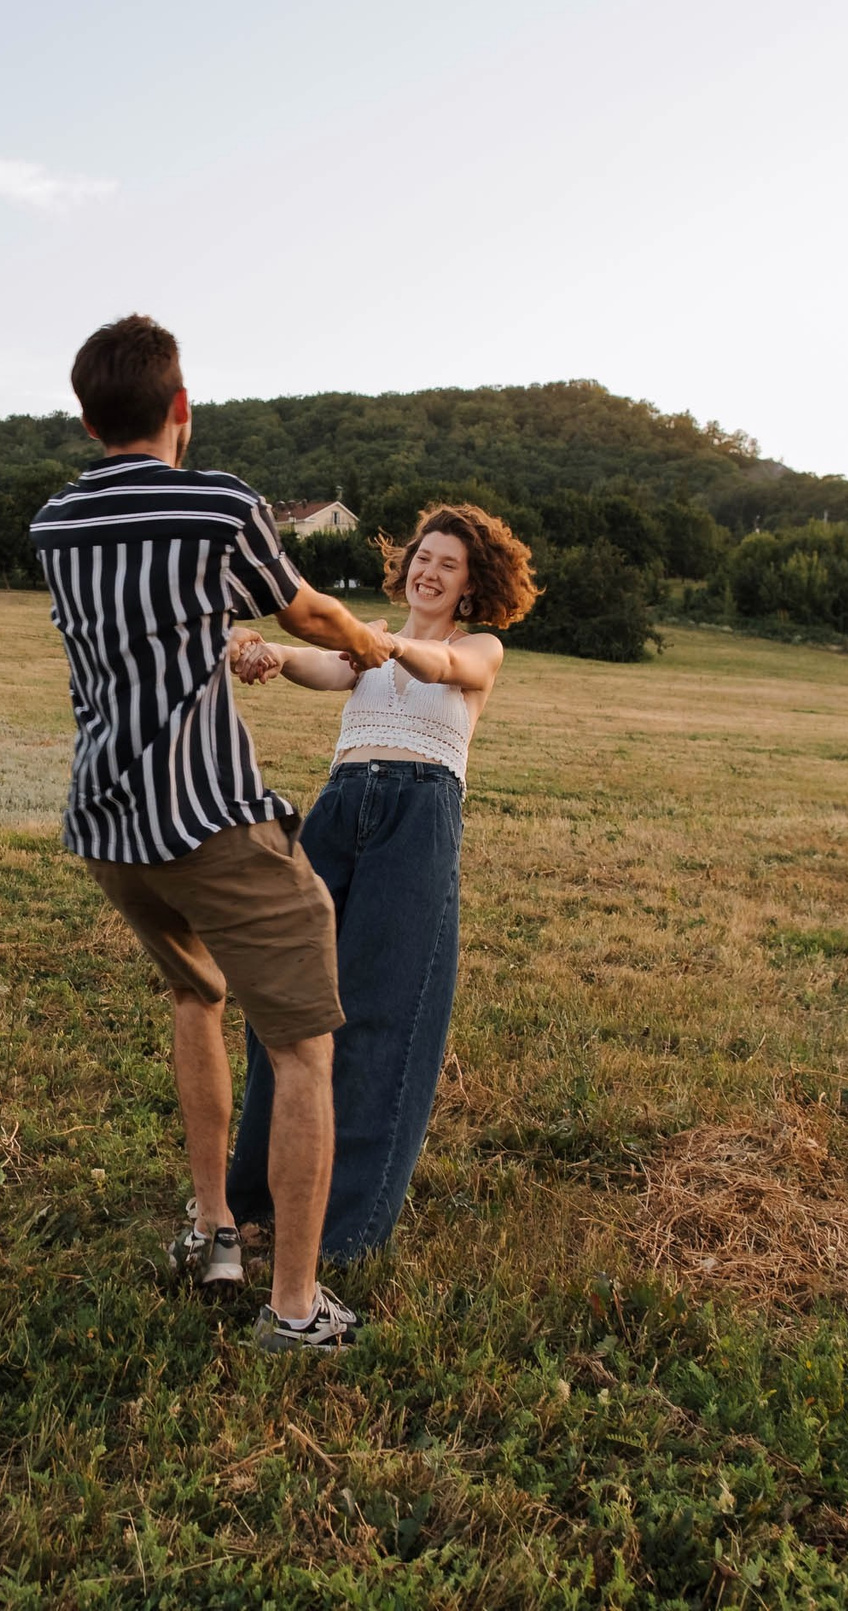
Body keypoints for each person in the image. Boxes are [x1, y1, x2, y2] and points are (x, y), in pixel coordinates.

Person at [31, 314, 399, 1352]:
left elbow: (157, 631)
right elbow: (310, 615)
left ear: (88, 416)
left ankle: (211, 1233)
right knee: (304, 1050)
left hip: (109, 825)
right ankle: (293, 1309)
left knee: (195, 993)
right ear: (178, 408)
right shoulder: (218, 502)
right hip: (209, 821)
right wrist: (371, 642)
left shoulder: (55, 525)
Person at [221, 504, 537, 1261]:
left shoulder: (480, 647)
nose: (428, 570)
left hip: (419, 819)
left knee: (382, 1015)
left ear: (470, 585)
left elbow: (445, 668)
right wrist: (269, 654)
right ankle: (256, 1204)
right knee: (290, 1000)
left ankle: (343, 1232)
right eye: (422, 556)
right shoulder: (368, 641)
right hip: (341, 807)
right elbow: (324, 665)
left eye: (448, 564)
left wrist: (382, 642)